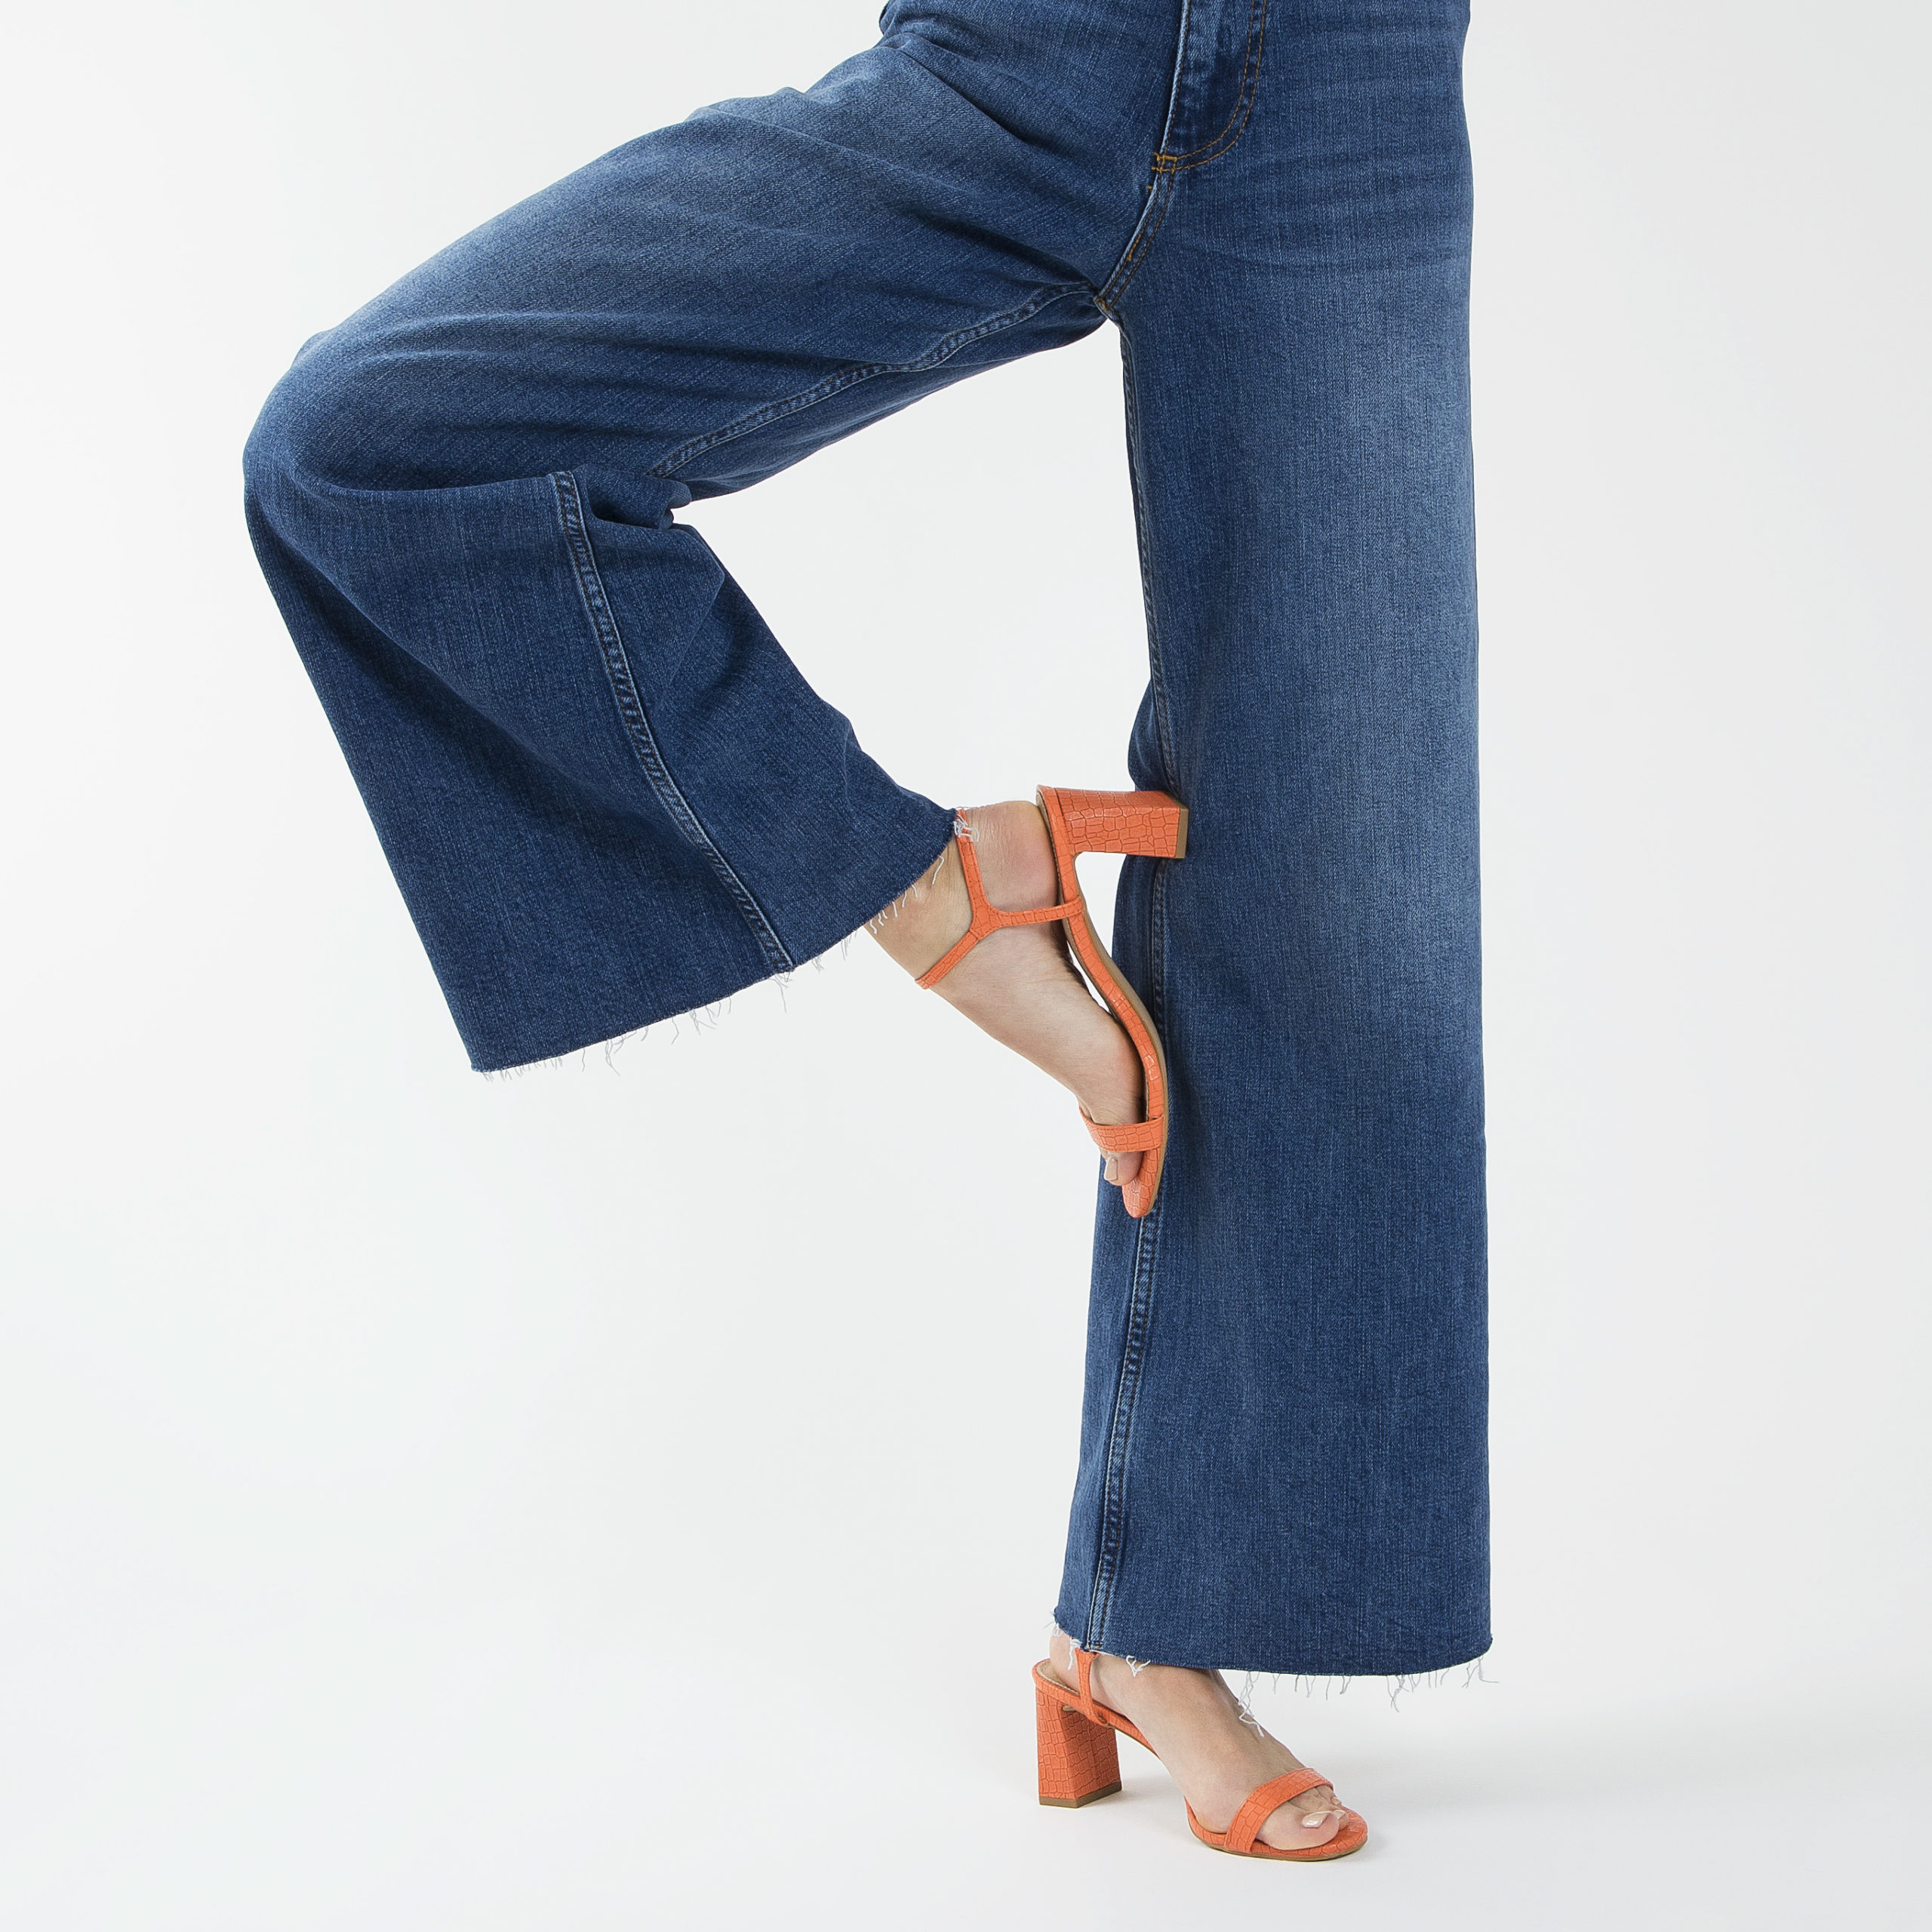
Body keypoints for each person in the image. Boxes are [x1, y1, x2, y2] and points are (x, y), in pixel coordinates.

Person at [243, 0, 1487, 1863]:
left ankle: (1143, 1624)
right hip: (1033, 54)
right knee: (377, 441)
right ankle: (935, 894)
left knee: (1343, 891)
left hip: (1348, 77)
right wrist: (879, 869)